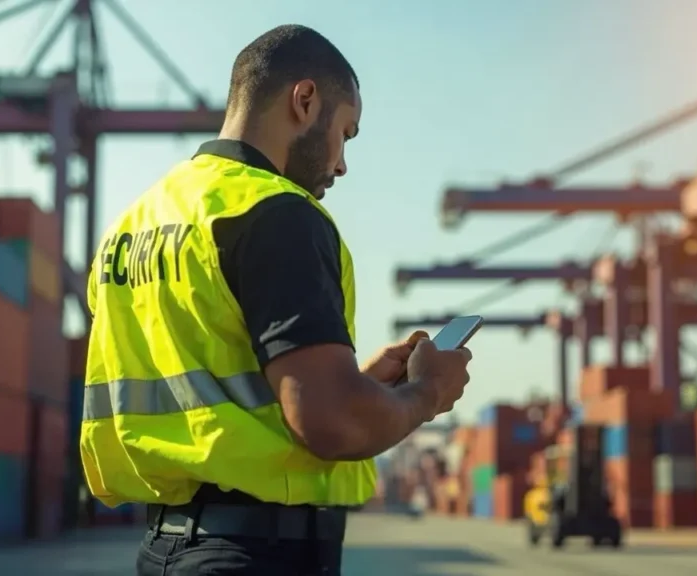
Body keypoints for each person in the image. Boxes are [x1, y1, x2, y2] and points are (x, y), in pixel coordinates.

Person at [77, 24, 473, 575]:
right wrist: (428, 393)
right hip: (255, 555)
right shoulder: (276, 213)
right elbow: (329, 422)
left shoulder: (134, 223)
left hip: (162, 551)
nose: (341, 164)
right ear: (305, 100)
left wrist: (354, 382)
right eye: (346, 134)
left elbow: (220, 385)